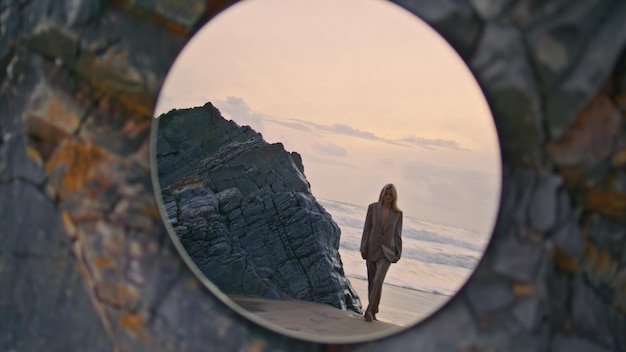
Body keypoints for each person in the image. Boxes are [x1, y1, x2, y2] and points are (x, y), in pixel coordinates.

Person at [359, 183, 403, 322]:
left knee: (378, 280)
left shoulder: (398, 214)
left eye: (391, 195)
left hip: (387, 251)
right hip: (372, 248)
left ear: (394, 197)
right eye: (386, 194)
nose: (388, 197)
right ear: (382, 194)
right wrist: (363, 247)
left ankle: (368, 311)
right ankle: (374, 310)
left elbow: (397, 234)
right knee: (372, 282)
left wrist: (398, 253)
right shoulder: (373, 208)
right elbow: (367, 229)